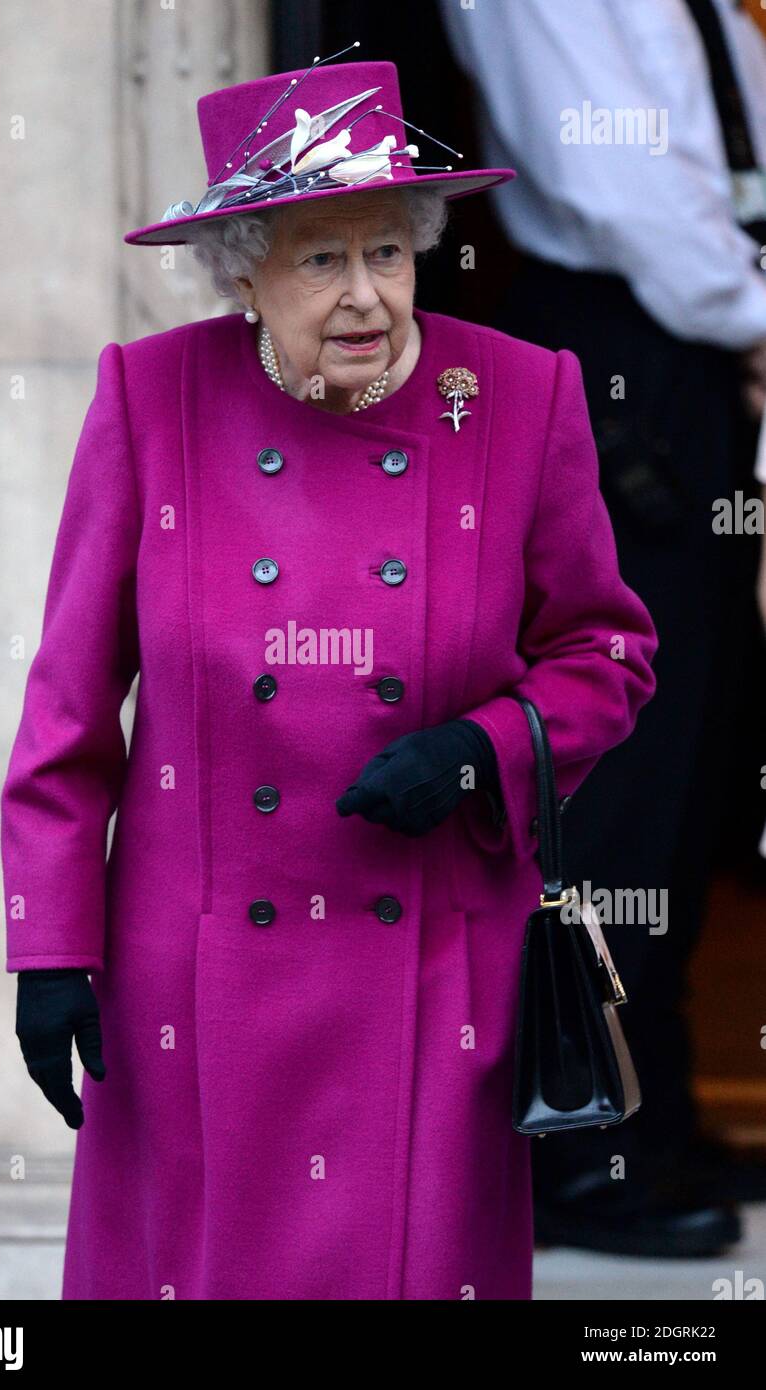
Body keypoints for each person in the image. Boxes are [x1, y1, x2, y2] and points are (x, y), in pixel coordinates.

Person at [1, 49, 657, 1301]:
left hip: (431, 971)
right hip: (197, 971)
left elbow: (609, 652)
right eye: (320, 258)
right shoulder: (153, 398)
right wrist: (49, 945)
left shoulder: (516, 396)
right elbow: (70, 705)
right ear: (241, 268)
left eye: (390, 252)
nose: (368, 298)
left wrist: (483, 748)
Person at [439, 0, 766, 1257]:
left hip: (706, 343)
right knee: (618, 765)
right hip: (625, 342)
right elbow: (618, 178)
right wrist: (752, 324)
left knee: (694, 765)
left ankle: (654, 1109)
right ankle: (584, 1146)